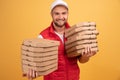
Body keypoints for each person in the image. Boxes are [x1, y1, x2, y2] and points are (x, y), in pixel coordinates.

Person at [26, 0, 96, 80]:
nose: (60, 17)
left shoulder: (74, 34)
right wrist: (32, 73)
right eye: (57, 13)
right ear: (51, 14)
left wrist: (85, 56)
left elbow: (82, 60)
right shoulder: (42, 37)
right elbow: (36, 65)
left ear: (67, 14)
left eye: (63, 13)